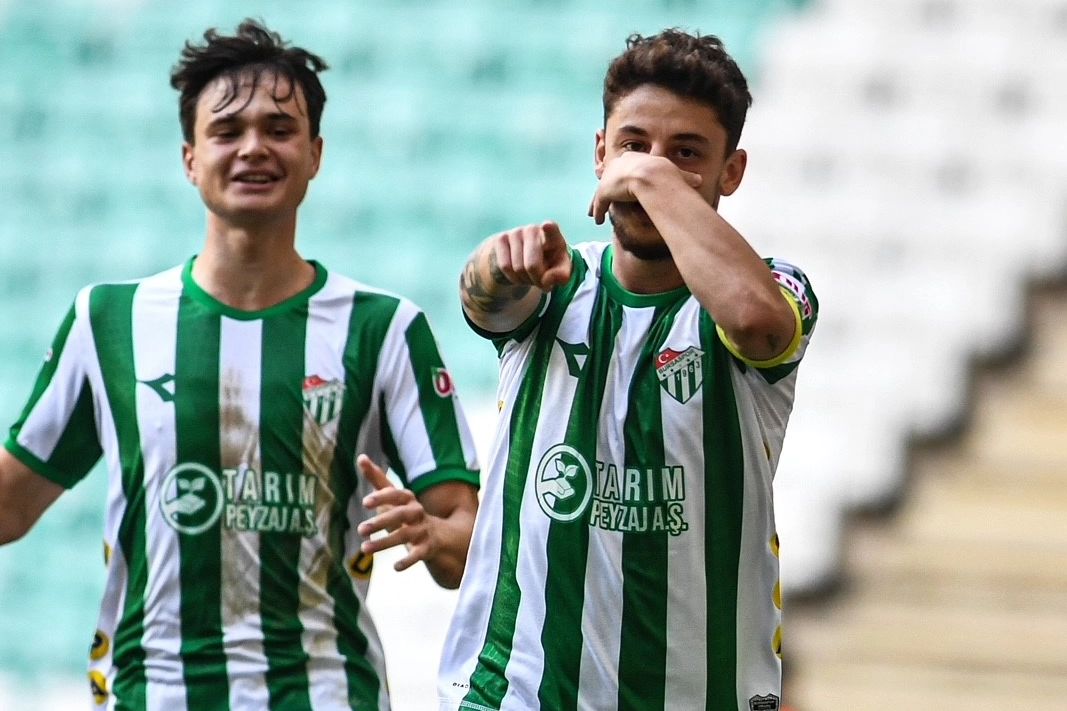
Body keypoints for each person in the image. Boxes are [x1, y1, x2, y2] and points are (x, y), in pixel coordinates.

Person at [0, 19, 480, 711]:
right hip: (154, 696)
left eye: (279, 129)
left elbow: (465, 539)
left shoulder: (384, 329)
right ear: (190, 158)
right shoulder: (108, 322)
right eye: (227, 131)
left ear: (315, 154)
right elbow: (11, 504)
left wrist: (433, 534)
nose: (254, 147)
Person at [438, 28, 818, 711]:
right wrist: (496, 262)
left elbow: (755, 320)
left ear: (731, 172)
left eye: (685, 154)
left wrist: (647, 176)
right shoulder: (553, 284)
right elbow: (482, 297)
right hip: (518, 693)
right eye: (633, 144)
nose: (653, 169)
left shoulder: (775, 288)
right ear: (599, 153)